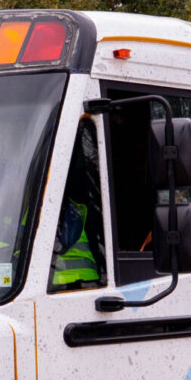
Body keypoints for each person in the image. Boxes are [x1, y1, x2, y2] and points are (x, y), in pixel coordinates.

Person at [50, 124, 105, 290]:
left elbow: (59, 245)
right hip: (73, 283)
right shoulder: (82, 205)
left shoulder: (67, 209)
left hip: (71, 285)